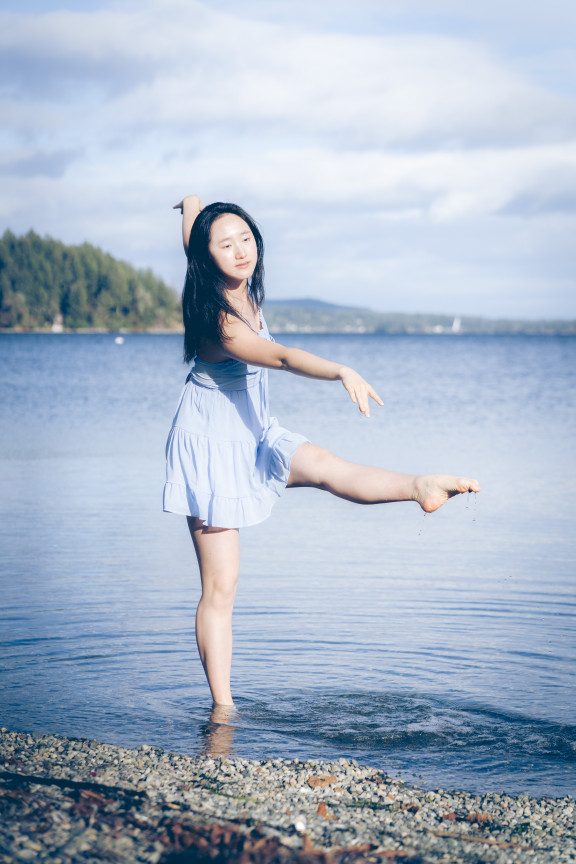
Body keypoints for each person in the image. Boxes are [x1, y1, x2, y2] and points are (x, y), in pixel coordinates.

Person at [165, 194, 481, 707]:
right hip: (211, 447)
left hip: (254, 429)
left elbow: (192, 244)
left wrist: (192, 209)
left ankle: (419, 486)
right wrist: (340, 369)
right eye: (226, 245)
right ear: (209, 258)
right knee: (221, 588)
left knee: (329, 468)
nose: (241, 251)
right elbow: (283, 357)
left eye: (246, 238)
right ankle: (223, 710)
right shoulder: (220, 322)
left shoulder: (229, 281)